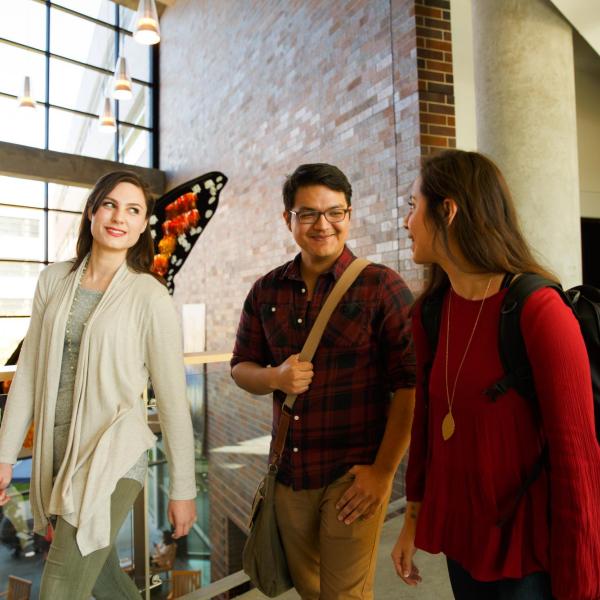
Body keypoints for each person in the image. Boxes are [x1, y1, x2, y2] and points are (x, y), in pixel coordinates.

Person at [392, 150, 600, 600]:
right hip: (462, 543)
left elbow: (577, 464)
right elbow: (427, 424)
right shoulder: (431, 311)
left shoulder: (539, 311)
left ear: (447, 210)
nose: (406, 221)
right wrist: (412, 521)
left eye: (413, 206)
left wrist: (579, 585)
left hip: (525, 555)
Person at [0, 171, 197, 600]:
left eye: (133, 210)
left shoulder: (150, 297)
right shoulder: (53, 281)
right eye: (110, 204)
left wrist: (183, 488)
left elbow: (172, 401)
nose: (118, 217)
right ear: (92, 210)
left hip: (113, 456)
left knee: (59, 588)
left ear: (144, 224)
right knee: (105, 581)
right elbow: (29, 375)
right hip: (57, 453)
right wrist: (3, 456)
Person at [231, 163, 416, 599]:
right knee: (312, 592)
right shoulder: (266, 290)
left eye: (335, 212)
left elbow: (411, 385)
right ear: (288, 220)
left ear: (349, 215)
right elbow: (241, 367)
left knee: (344, 596)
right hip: (290, 475)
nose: (323, 225)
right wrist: (275, 376)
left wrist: (384, 473)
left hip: (353, 476)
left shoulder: (381, 287)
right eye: (308, 213)